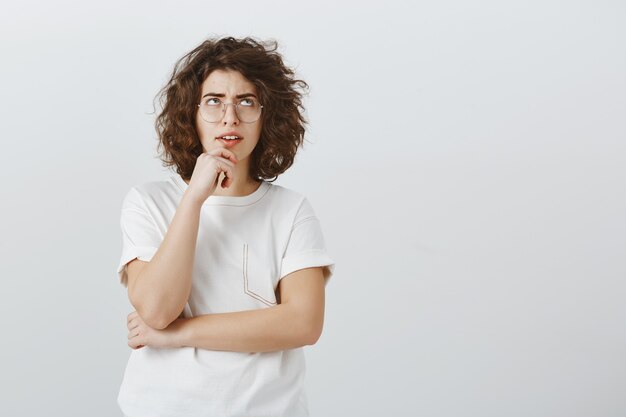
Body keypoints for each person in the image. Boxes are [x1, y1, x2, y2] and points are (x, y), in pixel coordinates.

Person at [115, 36, 335, 417]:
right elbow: (156, 309)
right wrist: (194, 199)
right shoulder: (148, 202)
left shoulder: (291, 210)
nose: (230, 118)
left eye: (246, 101)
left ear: (268, 116)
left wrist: (177, 335)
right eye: (214, 101)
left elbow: (303, 323)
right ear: (192, 114)